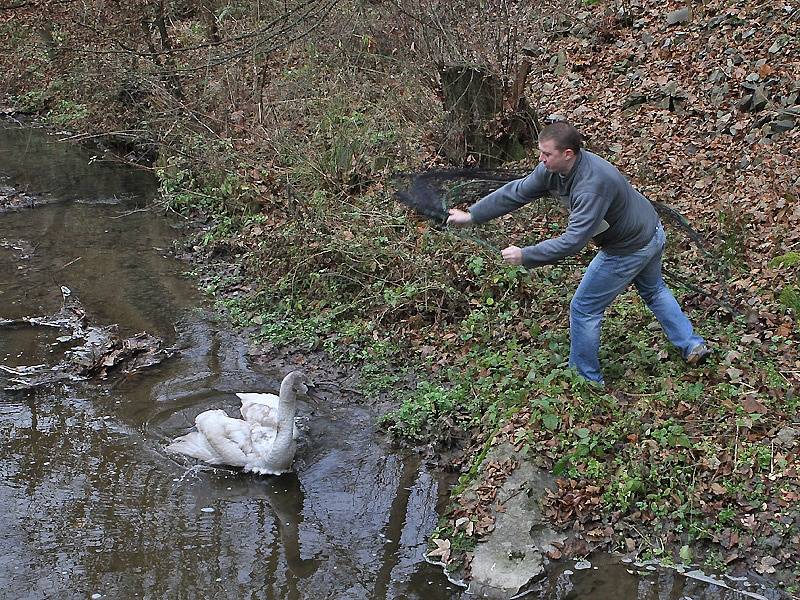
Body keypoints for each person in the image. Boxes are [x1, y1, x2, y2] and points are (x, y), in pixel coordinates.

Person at [447, 121, 710, 385]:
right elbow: (518, 191)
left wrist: (526, 255)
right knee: (654, 291)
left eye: (547, 154)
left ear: (568, 154)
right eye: (541, 152)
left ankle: (586, 379)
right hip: (649, 229)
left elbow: (573, 242)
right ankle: (692, 345)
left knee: (584, 308)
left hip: (631, 247)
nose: (541, 159)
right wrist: (473, 215)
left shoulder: (591, 186)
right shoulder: (552, 170)